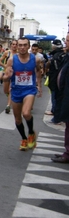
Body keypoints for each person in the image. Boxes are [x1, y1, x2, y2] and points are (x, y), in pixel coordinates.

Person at [3, 37, 42, 151]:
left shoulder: (35, 59)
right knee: (18, 119)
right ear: (17, 46)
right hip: (16, 90)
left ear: (29, 46)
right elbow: (6, 76)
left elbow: (38, 71)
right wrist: (7, 77)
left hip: (29, 90)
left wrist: (38, 85)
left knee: (26, 113)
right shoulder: (12, 60)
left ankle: (31, 133)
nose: (22, 47)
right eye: (20, 45)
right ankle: (24, 138)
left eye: (25, 45)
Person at [51, 33, 69, 163]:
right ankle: (67, 152)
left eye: (68, 40)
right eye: (66, 40)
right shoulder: (66, 56)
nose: (66, 42)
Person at [45, 40, 65, 118]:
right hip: (58, 78)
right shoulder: (62, 54)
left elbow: (57, 69)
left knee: (55, 96)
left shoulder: (56, 56)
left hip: (55, 79)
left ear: (54, 46)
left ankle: (55, 112)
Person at [0, 40, 18, 114]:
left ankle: (8, 105)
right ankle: (9, 97)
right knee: (6, 90)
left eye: (16, 44)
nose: (14, 46)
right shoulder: (7, 53)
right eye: (13, 44)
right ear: (11, 45)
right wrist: (5, 66)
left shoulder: (19, 54)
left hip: (15, 74)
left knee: (10, 89)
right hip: (6, 73)